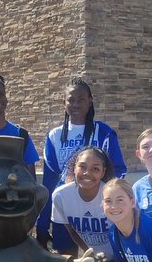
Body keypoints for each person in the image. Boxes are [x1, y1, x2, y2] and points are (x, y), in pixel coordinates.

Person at [37, 77, 126, 246]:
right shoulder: (54, 136)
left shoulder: (104, 132)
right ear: (64, 102)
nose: (76, 104)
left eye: (81, 99)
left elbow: (118, 171)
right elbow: (50, 183)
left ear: (90, 101)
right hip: (66, 206)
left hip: (98, 206)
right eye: (71, 100)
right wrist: (42, 225)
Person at [50, 146, 115, 262]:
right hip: (94, 257)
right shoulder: (61, 196)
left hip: (119, 257)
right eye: (82, 167)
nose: (87, 173)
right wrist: (90, 253)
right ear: (74, 168)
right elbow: (71, 229)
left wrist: (116, 261)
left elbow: (125, 230)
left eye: (95, 168)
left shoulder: (111, 194)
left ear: (103, 172)